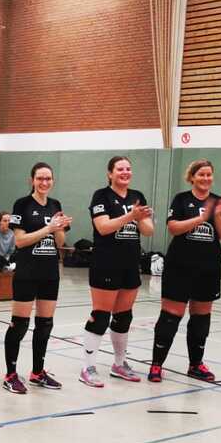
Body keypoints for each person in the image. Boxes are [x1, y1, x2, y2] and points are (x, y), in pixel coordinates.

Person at [148, 160, 221, 382]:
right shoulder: (182, 199)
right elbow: (173, 227)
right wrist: (201, 218)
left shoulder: (220, 202)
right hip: (180, 268)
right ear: (192, 177)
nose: (206, 178)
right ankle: (156, 365)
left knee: (201, 319)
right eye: (201, 174)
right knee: (170, 317)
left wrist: (215, 216)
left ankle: (196, 364)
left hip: (208, 269)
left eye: (209, 174)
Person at [79, 156, 154, 387]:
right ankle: (87, 367)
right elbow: (103, 227)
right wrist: (131, 216)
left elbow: (149, 230)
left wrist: (139, 218)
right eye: (120, 169)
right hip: (106, 262)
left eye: (128, 169)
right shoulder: (101, 196)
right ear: (110, 173)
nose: (125, 172)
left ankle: (119, 364)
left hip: (130, 263)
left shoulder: (137, 196)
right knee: (101, 315)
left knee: (124, 317)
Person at [2, 162, 72, 393]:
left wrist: (59, 228)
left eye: (48, 179)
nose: (44, 183)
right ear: (32, 180)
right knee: (19, 325)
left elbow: (60, 243)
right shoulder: (22, 205)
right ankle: (10, 374)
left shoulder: (55, 205)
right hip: (27, 271)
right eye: (40, 178)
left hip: (50, 272)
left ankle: (37, 372)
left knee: (44, 325)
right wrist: (48, 228)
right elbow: (20, 241)